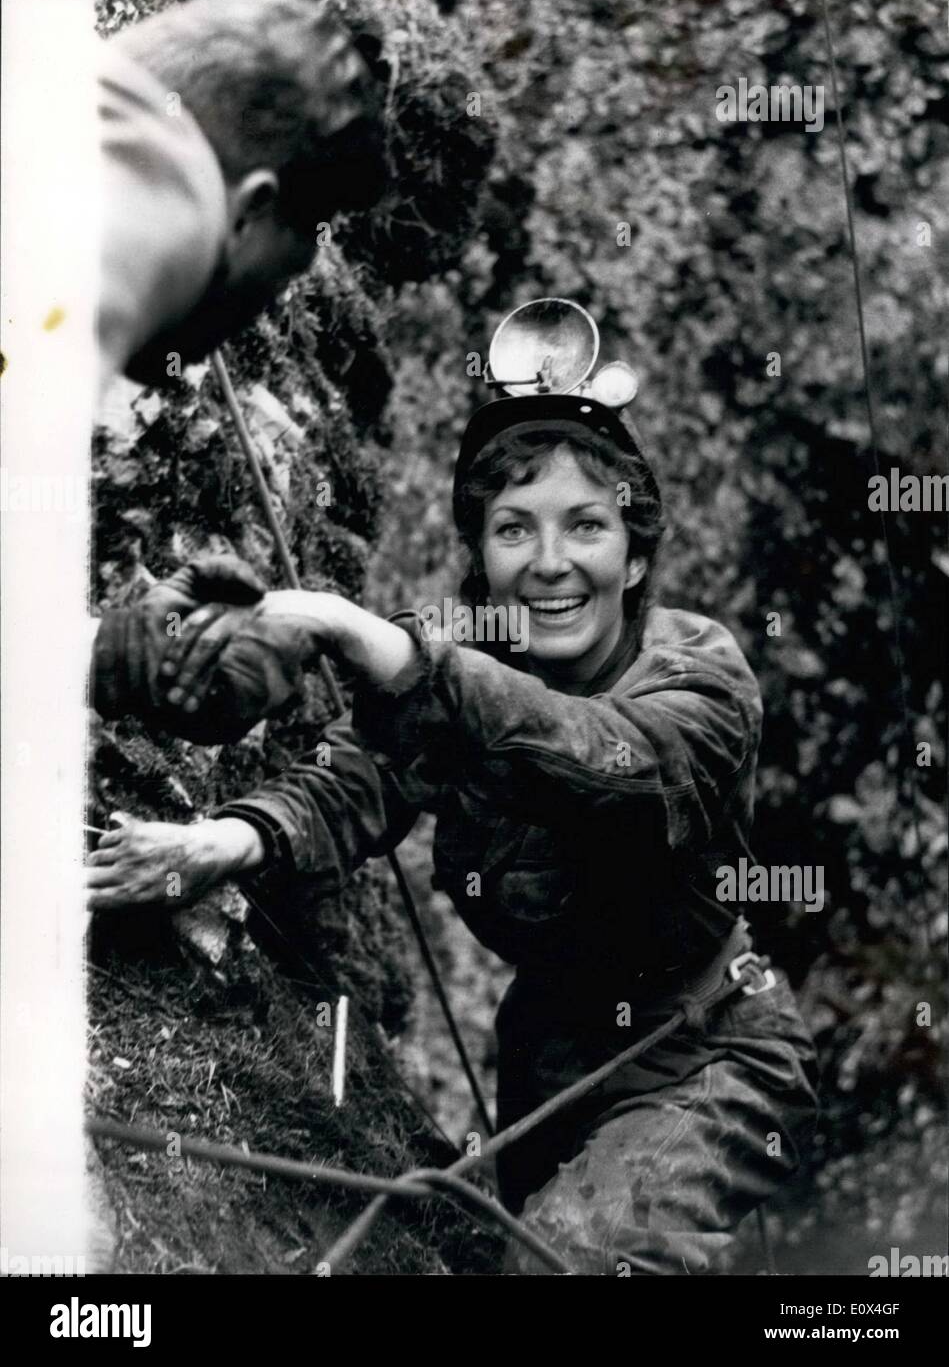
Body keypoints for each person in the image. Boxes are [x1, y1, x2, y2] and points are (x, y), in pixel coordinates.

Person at [86, 390, 819, 1274]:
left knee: (568, 1264)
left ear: (632, 559)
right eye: (513, 530)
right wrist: (221, 844)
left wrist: (363, 636)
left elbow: (609, 763)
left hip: (706, 1048)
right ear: (480, 555)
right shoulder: (467, 662)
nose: (550, 563)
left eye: (586, 526)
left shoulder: (698, 672)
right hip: (550, 1053)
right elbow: (357, 779)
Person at [92, 0, 385, 736]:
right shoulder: (141, 222)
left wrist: (115, 655)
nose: (248, 321)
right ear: (252, 208)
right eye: (287, 272)